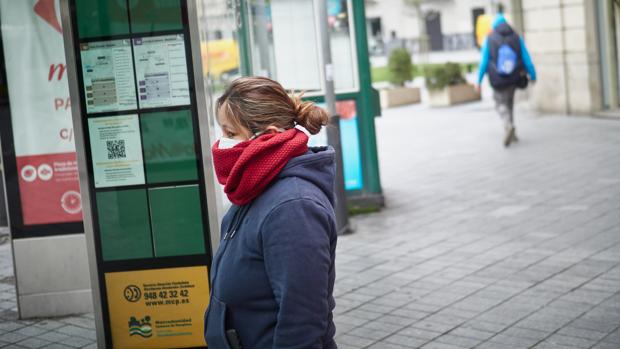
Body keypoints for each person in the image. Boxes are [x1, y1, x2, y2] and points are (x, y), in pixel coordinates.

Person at [204, 76, 338, 349]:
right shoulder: (256, 185)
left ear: (270, 137)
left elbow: (303, 320)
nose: (222, 144)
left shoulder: (293, 208)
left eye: (230, 134)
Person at [476, 12, 537, 147]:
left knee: (499, 104)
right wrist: (532, 75)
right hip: (514, 77)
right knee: (509, 103)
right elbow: (526, 58)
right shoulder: (516, 37)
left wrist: (478, 81)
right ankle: (512, 132)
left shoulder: (489, 38)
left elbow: (484, 61)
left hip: (497, 78)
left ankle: (508, 125)